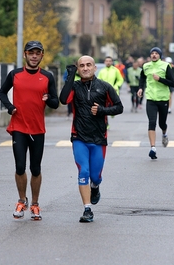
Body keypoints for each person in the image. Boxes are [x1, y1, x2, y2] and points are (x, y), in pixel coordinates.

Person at [0, 40, 59, 220]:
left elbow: (56, 103)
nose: (34, 56)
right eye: (30, 53)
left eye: (37, 53)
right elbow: (2, 93)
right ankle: (21, 200)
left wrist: (48, 99)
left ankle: (35, 204)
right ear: (25, 54)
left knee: (36, 168)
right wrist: (9, 107)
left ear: (42, 55)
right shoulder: (14, 74)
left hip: (38, 129)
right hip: (18, 127)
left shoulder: (47, 77)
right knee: (19, 167)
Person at [59, 55, 123, 222]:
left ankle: (95, 186)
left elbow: (119, 107)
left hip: (99, 139)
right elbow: (63, 99)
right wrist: (71, 76)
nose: (85, 68)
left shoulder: (104, 87)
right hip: (79, 137)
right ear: (78, 69)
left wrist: (102, 110)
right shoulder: (74, 87)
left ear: (95, 68)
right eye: (81, 66)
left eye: (88, 65)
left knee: (95, 176)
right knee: (83, 172)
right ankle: (87, 209)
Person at [137, 47, 174, 159]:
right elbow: (142, 78)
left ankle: (164, 133)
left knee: (162, 123)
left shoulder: (165, 66)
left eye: (156, 53)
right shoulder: (146, 66)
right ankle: (153, 148)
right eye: (152, 53)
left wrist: (160, 79)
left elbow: (172, 83)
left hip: (163, 98)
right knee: (152, 122)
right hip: (151, 99)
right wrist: (140, 88)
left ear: (160, 55)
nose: (154, 55)